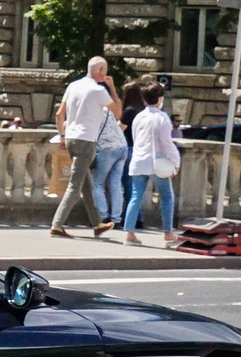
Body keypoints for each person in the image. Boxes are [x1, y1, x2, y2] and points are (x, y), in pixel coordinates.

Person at [50, 54, 115, 238]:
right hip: (86, 140)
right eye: (106, 70)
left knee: (86, 183)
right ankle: (57, 224)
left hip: (71, 138)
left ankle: (97, 224)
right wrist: (112, 87)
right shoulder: (98, 90)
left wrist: (63, 135)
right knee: (75, 186)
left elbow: (59, 114)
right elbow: (118, 111)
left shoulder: (73, 85)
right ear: (101, 70)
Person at [125, 84, 180, 246]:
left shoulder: (138, 117)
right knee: (167, 197)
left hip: (138, 161)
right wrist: (175, 161)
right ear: (160, 99)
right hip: (156, 162)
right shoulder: (162, 117)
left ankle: (129, 234)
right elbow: (166, 143)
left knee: (135, 197)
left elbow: (136, 139)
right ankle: (168, 233)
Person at [91, 76, 129, 231]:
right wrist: (112, 87)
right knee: (115, 184)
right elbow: (120, 109)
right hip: (121, 146)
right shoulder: (109, 108)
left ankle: (103, 216)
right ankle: (117, 219)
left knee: (97, 183)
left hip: (106, 148)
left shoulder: (93, 112)